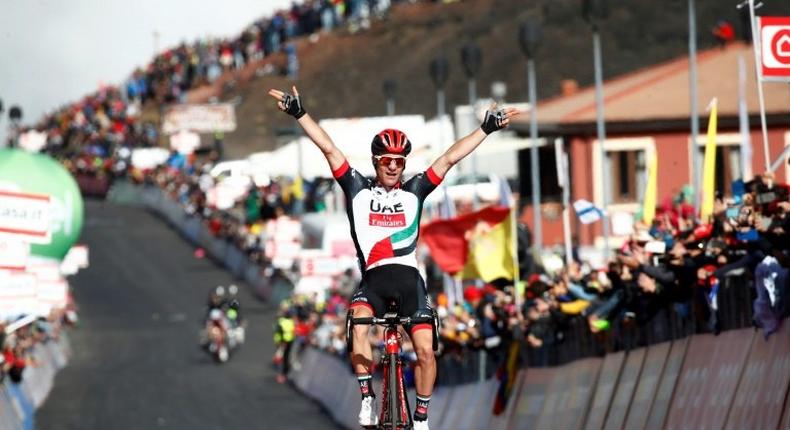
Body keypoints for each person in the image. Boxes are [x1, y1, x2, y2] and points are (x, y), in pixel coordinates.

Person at [268, 86, 519, 429]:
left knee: (426, 351)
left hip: (410, 284)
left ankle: (420, 417)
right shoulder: (357, 189)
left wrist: (486, 128)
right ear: (376, 162)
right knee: (357, 323)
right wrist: (299, 113)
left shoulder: (415, 190)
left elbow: (448, 158)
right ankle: (368, 397)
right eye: (387, 161)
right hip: (373, 282)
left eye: (399, 162)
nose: (393, 167)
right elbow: (328, 148)